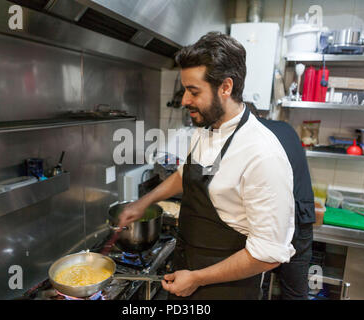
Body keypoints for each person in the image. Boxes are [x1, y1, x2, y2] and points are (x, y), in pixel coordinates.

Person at [117, 32, 296, 300]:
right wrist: (143, 203)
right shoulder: (206, 130)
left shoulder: (263, 155)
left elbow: (269, 254)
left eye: (193, 91)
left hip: (224, 289)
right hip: (185, 271)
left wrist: (198, 278)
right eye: (184, 90)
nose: (184, 101)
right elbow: (185, 175)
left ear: (225, 87)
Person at [245, 102, 315, 300]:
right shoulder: (285, 128)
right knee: (295, 292)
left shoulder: (249, 135)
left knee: (258, 287)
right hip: (302, 219)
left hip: (272, 223)